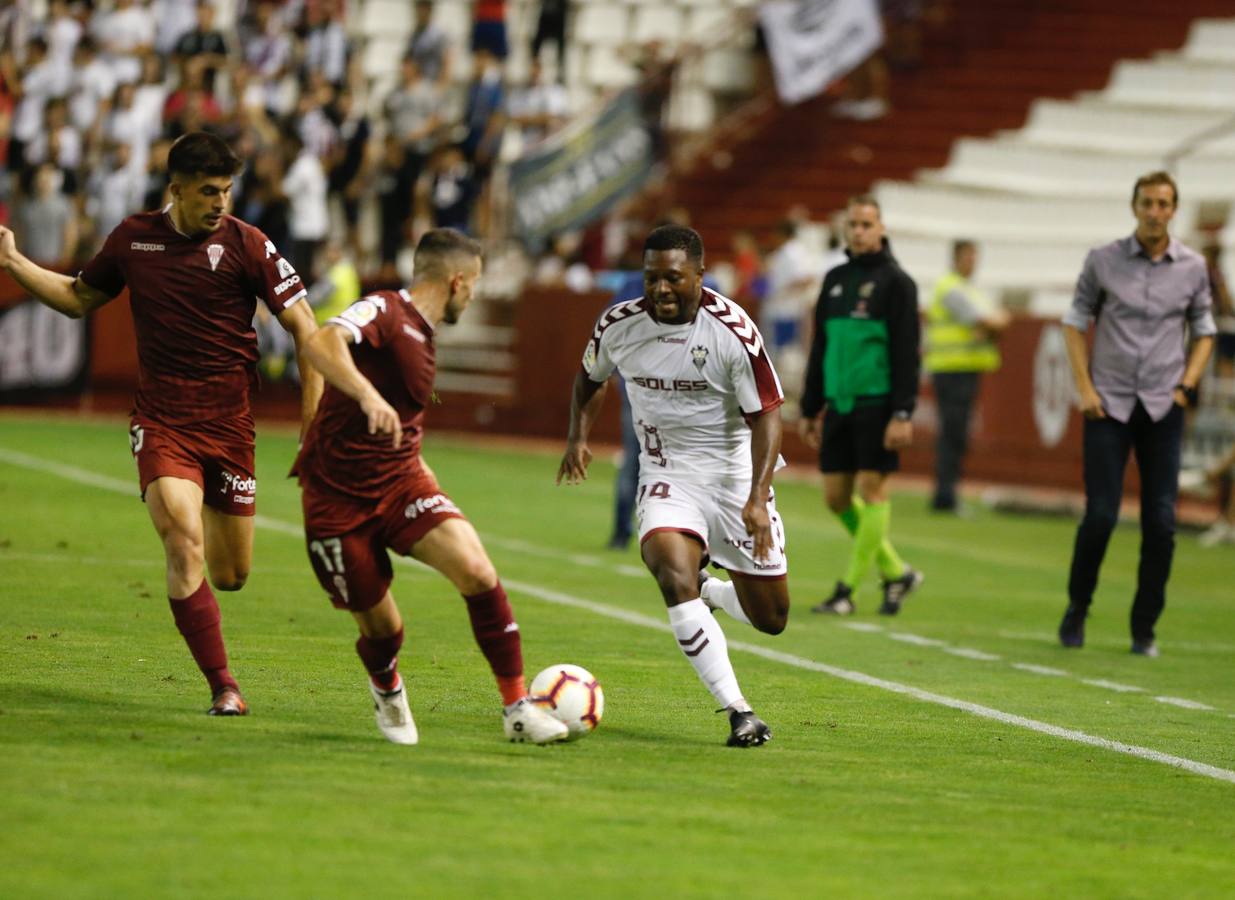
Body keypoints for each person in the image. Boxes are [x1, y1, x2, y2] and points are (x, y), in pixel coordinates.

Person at [0, 131, 323, 715]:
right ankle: (224, 686)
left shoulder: (249, 244)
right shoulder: (133, 239)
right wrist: (14, 261)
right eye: (207, 192)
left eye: (226, 190)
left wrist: (314, 425)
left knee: (231, 575)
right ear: (175, 190)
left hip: (230, 428)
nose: (220, 203)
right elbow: (78, 298)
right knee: (181, 537)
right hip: (163, 421)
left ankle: (206, 571)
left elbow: (307, 329)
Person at [291, 229, 568, 745]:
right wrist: (368, 396)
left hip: (400, 483)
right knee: (384, 630)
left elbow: (406, 416)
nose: (474, 295)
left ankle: (517, 708)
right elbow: (321, 341)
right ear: (458, 281)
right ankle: (388, 688)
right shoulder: (385, 310)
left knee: (479, 573)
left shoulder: (423, 333)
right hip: (337, 498)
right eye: (475, 285)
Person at [557, 225, 790, 748]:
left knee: (771, 619)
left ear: (700, 277)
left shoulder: (732, 330)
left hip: (733, 479)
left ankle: (710, 590)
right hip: (667, 473)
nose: (660, 289)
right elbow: (590, 378)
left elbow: (768, 416)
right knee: (669, 567)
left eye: (673, 278)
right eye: (651, 278)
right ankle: (739, 711)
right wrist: (578, 437)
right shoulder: (619, 324)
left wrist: (755, 499)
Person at [1059, 171, 1216, 657]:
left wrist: (1187, 386)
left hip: (1162, 404)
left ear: (1174, 210)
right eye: (1147, 202)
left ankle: (1144, 627)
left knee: (1162, 522)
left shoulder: (1192, 267)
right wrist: (1084, 388)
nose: (1154, 211)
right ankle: (1078, 608)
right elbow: (1073, 321)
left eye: (1164, 204)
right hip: (1107, 402)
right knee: (1102, 514)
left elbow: (1204, 330)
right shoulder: (1103, 260)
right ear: (1134, 207)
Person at [799, 195, 922, 616]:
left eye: (867, 224)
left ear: (882, 228)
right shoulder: (833, 279)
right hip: (838, 404)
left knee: (872, 491)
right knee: (835, 498)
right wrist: (810, 405)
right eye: (853, 224)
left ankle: (846, 591)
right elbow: (820, 346)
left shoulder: (897, 283)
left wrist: (903, 411)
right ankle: (896, 572)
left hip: (878, 402)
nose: (859, 231)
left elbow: (908, 352)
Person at [924, 240, 1010, 513]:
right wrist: (992, 324)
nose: (973, 262)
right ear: (957, 258)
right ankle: (945, 495)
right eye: (969, 256)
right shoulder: (952, 289)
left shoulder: (967, 288)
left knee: (956, 433)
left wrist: (994, 323)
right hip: (952, 368)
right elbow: (990, 321)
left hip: (962, 368)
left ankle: (947, 492)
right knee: (953, 433)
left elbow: (997, 321)